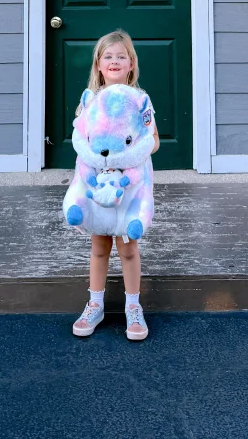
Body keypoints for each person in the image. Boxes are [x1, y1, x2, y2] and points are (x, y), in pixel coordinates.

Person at [71, 29, 159, 342]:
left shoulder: (140, 101)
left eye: (121, 56)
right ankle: (94, 303)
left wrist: (127, 155)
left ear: (131, 64)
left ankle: (133, 307)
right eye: (108, 56)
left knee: (128, 247)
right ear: (98, 64)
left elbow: (154, 141)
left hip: (130, 185)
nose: (115, 61)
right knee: (99, 246)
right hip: (98, 184)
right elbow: (81, 139)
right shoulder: (90, 102)